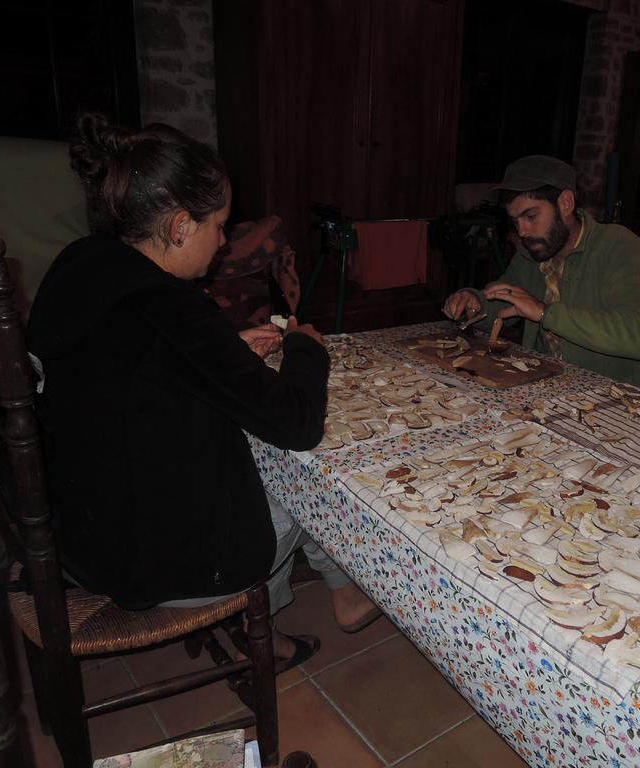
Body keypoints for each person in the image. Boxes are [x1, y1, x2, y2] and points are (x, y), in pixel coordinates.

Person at [27, 114, 379, 667]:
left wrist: (222, 350)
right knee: (310, 479)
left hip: (75, 530)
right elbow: (297, 421)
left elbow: (128, 363)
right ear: (179, 227)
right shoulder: (171, 307)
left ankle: (326, 602)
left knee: (261, 457)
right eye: (218, 225)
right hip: (147, 562)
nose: (222, 240)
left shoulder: (83, 261)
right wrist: (306, 348)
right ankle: (288, 611)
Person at [442, 155, 640, 393]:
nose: (522, 232)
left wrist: (545, 313)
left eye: (530, 216)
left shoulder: (621, 247)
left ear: (565, 203)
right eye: (515, 221)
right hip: (550, 385)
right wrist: (475, 303)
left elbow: (638, 337)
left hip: (619, 398)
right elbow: (505, 302)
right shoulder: (533, 253)